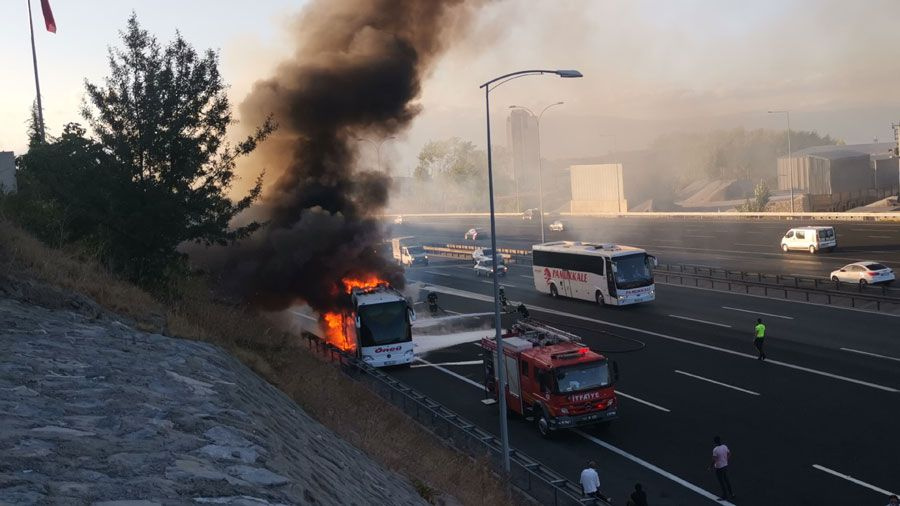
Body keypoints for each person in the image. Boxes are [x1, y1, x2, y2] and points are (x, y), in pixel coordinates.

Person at [709, 436, 735, 501]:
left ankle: (724, 496)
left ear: (715, 442)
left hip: (719, 468)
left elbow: (714, 460)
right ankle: (731, 494)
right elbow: (729, 453)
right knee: (726, 480)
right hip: (725, 466)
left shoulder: (715, 450)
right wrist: (726, 460)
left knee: (721, 482)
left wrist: (710, 467)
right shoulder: (724, 446)